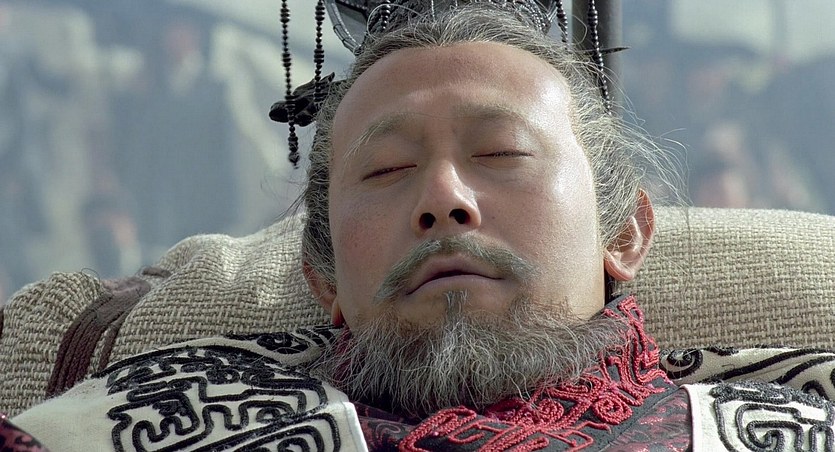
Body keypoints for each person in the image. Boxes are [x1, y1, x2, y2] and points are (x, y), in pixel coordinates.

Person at [5, 3, 835, 451]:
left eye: (501, 151)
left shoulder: (787, 429)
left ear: (623, 233)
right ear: (322, 277)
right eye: (385, 169)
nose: (442, 198)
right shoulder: (121, 426)